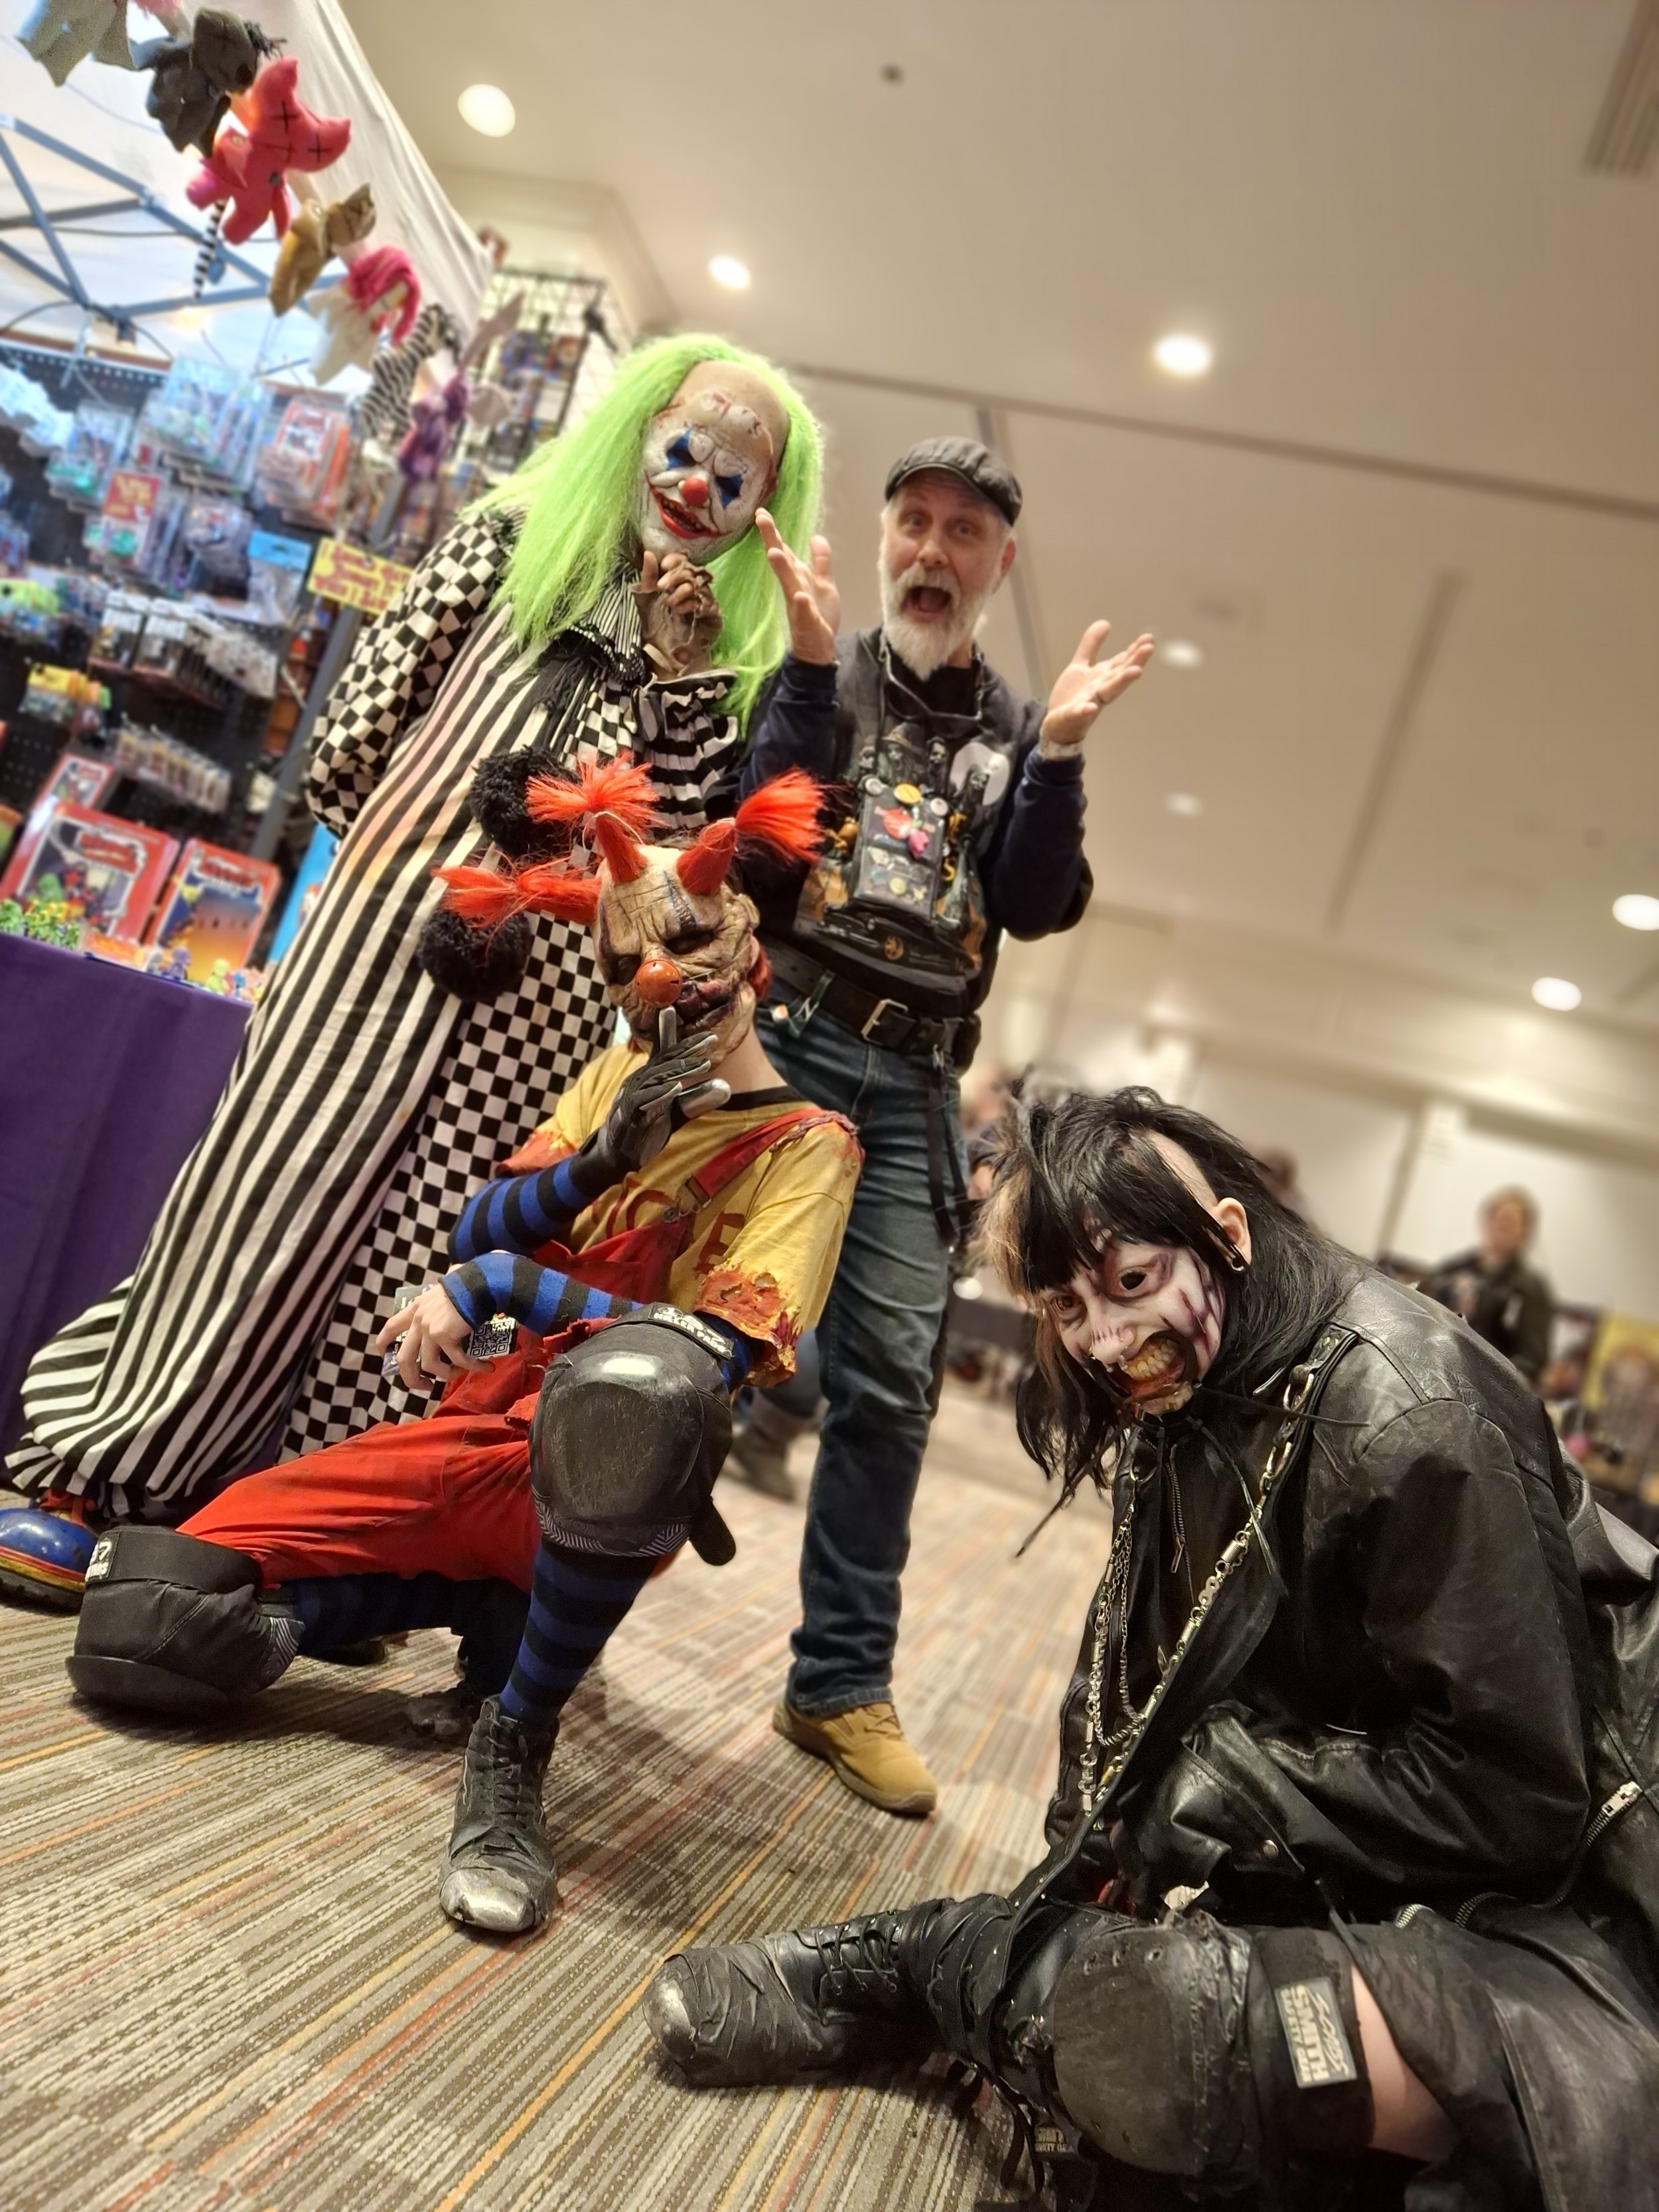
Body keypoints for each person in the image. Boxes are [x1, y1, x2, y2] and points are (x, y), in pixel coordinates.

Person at [645, 1086, 1659, 2212]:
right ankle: (955, 1969)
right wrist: (1083, 1865)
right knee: (1148, 2034)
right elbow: (1133, 1657)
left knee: (1193, 2040)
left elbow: (1525, 1792)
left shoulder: (1415, 1413)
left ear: (1229, 1230)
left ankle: (934, 1964)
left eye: (1130, 1281)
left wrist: (1234, 1788)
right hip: (1372, 1847)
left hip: (1563, 1915)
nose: (1108, 1338)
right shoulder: (1192, 1367)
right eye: (1066, 1306)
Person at [1, 336, 823, 1605]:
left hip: (540, 1008)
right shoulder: (505, 544)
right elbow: (348, 744)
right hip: (384, 940)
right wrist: (410, 860)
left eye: (740, 463)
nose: (699, 473)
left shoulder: (717, 671)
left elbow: (677, 875)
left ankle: (295, 1539)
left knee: (420, 1256)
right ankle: (104, 1472)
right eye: (690, 431)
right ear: (637, 425)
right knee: (269, 1189)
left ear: (763, 505)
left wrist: (673, 677)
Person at [68, 763, 863, 1939]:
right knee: (144, 1614)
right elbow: (478, 1224)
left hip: (598, 1473)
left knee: (643, 1396)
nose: (660, 985)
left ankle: (516, 1738)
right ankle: (475, 1612)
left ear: (750, 958)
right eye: (626, 965)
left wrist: (495, 1286)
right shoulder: (613, 1075)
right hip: (474, 1430)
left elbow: (713, 1348)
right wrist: (592, 1165)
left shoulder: (810, 1144)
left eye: (689, 949)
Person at [713, 439, 1155, 1817]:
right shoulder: (821, 669)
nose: (931, 550)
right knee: (693, 1333)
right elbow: (756, 844)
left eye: (964, 532)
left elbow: (1030, 900)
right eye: (913, 523)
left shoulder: (1021, 729)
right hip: (775, 1044)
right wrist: (794, 673)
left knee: (891, 1392)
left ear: (995, 564)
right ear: (886, 537)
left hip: (912, 1091)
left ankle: (837, 1683)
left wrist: (1063, 753)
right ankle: (553, 1604)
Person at [1421, 1184, 1553, 1384]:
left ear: (1525, 1233)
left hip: (1488, 1388)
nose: (1503, 1228)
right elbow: (1420, 1315)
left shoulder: (1531, 1288)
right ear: (1486, 1222)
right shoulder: (1452, 1269)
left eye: (1511, 1224)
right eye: (1500, 1220)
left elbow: (1532, 1360)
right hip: (1434, 1371)